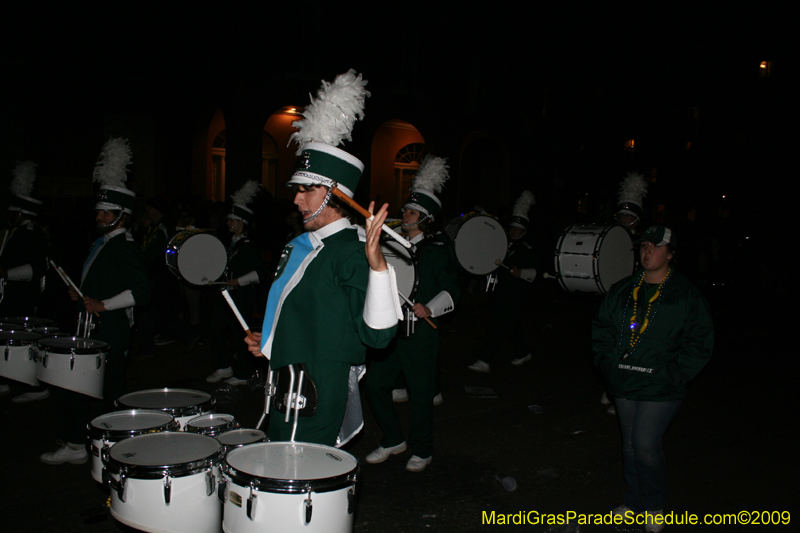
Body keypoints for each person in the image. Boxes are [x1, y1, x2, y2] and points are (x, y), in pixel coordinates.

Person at [244, 69, 400, 447]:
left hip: (315, 390)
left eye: (307, 191)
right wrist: (271, 340)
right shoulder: (304, 243)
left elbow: (378, 339)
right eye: (297, 190)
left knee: (297, 477)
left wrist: (378, 266)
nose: (297, 199)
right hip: (285, 379)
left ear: (335, 195)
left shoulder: (350, 251)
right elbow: (307, 317)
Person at [592, 225, 713, 532]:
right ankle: (633, 501)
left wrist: (674, 374)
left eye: (655, 247)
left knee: (645, 444)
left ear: (671, 254)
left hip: (661, 388)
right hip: (624, 384)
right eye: (644, 245)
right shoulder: (622, 289)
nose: (647, 252)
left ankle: (655, 504)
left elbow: (700, 341)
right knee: (630, 446)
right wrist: (609, 365)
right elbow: (602, 329)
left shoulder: (684, 294)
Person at [40, 137, 150, 465]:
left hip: (110, 330)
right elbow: (103, 282)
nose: (100, 217)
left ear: (122, 215)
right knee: (78, 387)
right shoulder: (104, 243)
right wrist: (83, 294)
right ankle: (77, 444)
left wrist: (103, 305)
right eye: (99, 211)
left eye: (106, 212)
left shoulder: (124, 247)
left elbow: (142, 292)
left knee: (106, 393)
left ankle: (108, 449)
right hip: (93, 327)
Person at [365, 155, 459, 472]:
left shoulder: (437, 250)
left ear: (425, 218)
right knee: (376, 384)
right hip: (392, 330)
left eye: (410, 211)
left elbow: (452, 292)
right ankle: (393, 439)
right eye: (406, 210)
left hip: (420, 333)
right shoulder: (395, 245)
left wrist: (429, 307)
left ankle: (423, 448)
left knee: (420, 395)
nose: (404, 214)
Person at [468, 191, 539, 372]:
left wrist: (520, 272)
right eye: (512, 228)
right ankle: (523, 353)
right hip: (502, 291)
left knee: (498, 325)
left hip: (515, 294)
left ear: (524, 231)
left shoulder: (526, 249)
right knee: (511, 324)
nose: (514, 231)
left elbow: (535, 273)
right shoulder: (503, 245)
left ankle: (485, 360)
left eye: (518, 229)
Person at [206, 180, 267, 385]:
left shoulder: (248, 246)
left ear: (242, 222)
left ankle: (242, 374)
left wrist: (237, 281)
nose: (229, 223)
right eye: (229, 219)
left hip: (242, 295)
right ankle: (223, 366)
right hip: (228, 295)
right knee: (214, 327)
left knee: (241, 334)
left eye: (233, 220)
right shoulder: (231, 243)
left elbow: (259, 273)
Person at [1, 161, 49, 399]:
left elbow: (36, 267)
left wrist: (6, 274)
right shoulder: (18, 232)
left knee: (25, 341)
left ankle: (34, 385)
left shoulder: (30, 234)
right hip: (13, 295)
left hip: (23, 296)